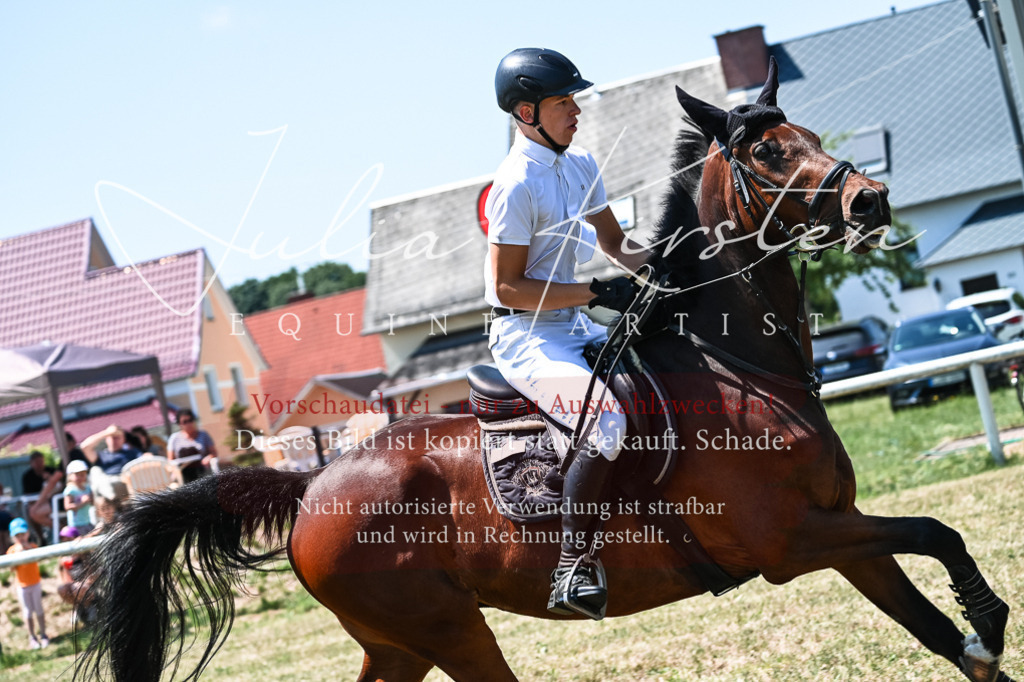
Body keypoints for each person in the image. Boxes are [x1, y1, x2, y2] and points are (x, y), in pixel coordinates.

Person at [486, 48, 648, 620]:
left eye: (574, 98)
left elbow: (616, 247)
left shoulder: (578, 162)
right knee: (604, 418)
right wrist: (597, 293)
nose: (576, 110)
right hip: (528, 338)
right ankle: (572, 566)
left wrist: (676, 267)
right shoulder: (513, 183)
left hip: (575, 322)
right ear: (527, 112)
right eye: (563, 101)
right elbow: (509, 288)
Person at [5, 518, 50, 649]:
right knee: (28, 612)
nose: (21, 538)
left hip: (35, 583)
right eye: (17, 536)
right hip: (22, 586)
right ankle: (32, 637)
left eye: (22, 534)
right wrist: (17, 556)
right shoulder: (12, 551)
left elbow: (38, 560)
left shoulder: (33, 547)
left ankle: (43, 634)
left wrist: (28, 549)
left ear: (27, 534)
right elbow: (11, 569)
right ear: (13, 537)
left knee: (39, 609)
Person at [166, 409, 218, 483]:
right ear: (179, 424)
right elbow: (170, 460)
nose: (188, 424)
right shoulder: (174, 438)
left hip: (201, 470)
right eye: (185, 422)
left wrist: (208, 458)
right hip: (183, 472)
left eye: (190, 420)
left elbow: (214, 453)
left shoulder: (203, 435)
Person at [62, 460, 94, 535]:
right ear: (70, 476)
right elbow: (67, 506)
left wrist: (91, 499)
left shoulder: (87, 488)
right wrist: (82, 502)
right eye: (77, 474)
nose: (80, 477)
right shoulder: (70, 490)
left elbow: (92, 502)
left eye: (82, 474)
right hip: (76, 526)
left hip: (87, 523)